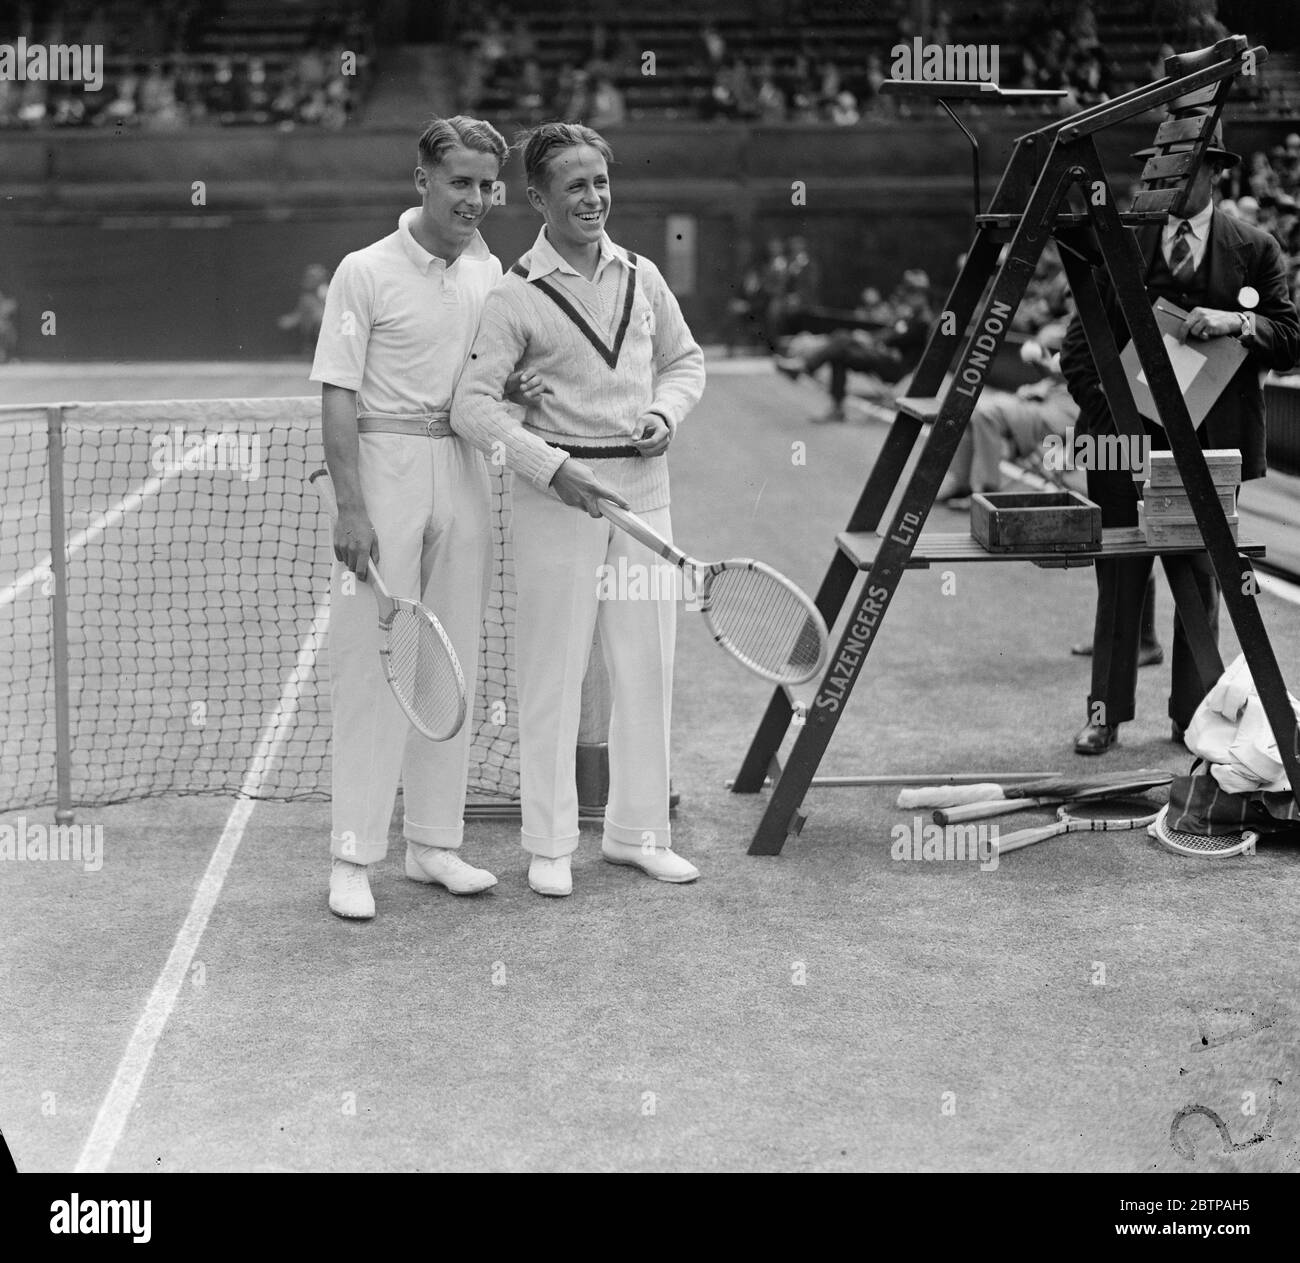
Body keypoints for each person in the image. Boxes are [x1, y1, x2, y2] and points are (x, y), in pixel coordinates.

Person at [454, 122, 706, 897]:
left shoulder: (643, 274)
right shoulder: (513, 294)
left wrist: (665, 415)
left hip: (644, 501)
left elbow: (684, 361)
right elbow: (472, 405)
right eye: (575, 186)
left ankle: (637, 834)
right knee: (554, 672)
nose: (593, 198)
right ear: (536, 198)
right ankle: (550, 843)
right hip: (558, 504)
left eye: (601, 182)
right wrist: (548, 465)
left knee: (646, 670)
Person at [310, 115, 537, 920]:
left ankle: (434, 844)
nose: (476, 199)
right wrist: (352, 505)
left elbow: (486, 384)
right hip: (385, 468)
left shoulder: (491, 273)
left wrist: (515, 395)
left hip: (465, 469)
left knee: (451, 660)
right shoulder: (363, 271)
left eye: (487, 185)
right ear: (423, 181)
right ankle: (353, 854)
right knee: (375, 667)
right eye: (461, 183)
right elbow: (337, 393)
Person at [1061, 118, 1300, 755]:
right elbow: (1080, 345)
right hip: (1123, 446)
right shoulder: (1123, 242)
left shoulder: (1255, 248)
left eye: (1181, 169)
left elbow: (1288, 336)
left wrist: (1237, 322)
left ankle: (1191, 719)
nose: (1163, 181)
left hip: (1211, 447)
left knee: (1200, 579)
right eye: (1158, 169)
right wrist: (1112, 416)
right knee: (1119, 581)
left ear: (1214, 172)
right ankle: (1105, 714)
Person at [773, 269, 932, 422]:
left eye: (912, 293)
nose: (908, 298)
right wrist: (868, 338)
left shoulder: (922, 320)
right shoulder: (910, 315)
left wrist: (869, 339)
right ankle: (833, 404)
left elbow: (894, 337)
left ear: (921, 295)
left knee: (842, 341)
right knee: (840, 348)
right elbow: (890, 333)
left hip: (893, 367)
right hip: (882, 357)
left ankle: (805, 367)